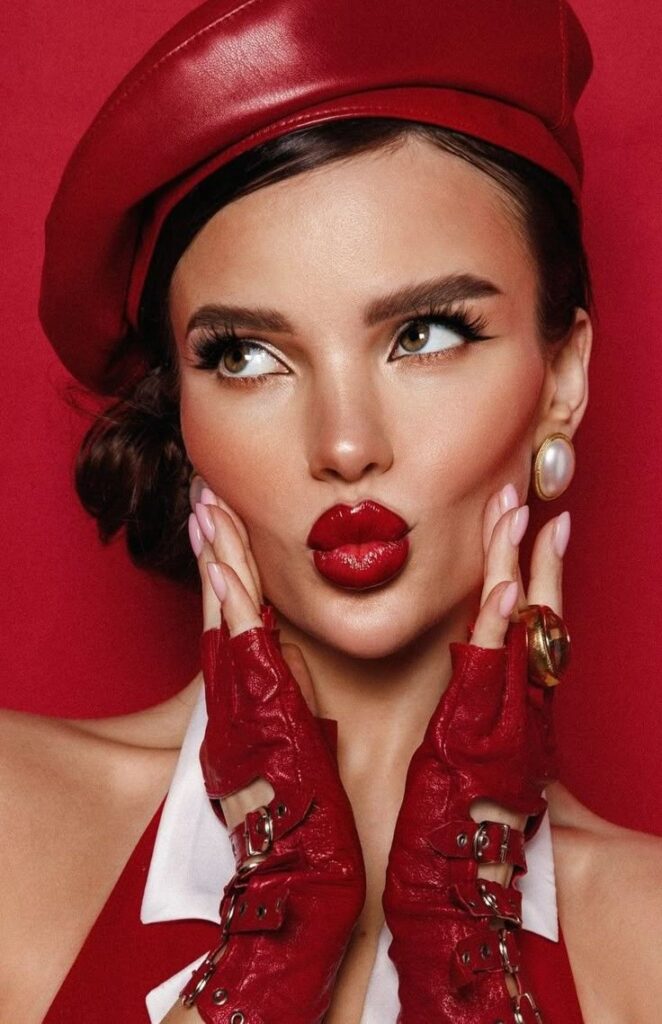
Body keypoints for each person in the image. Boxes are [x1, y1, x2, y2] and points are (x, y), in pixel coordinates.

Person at [3, 0, 662, 1021]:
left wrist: (465, 954)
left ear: (560, 374)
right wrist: (273, 936)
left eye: (427, 333)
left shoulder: (646, 934)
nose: (344, 443)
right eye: (248, 356)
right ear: (180, 408)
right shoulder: (13, 832)